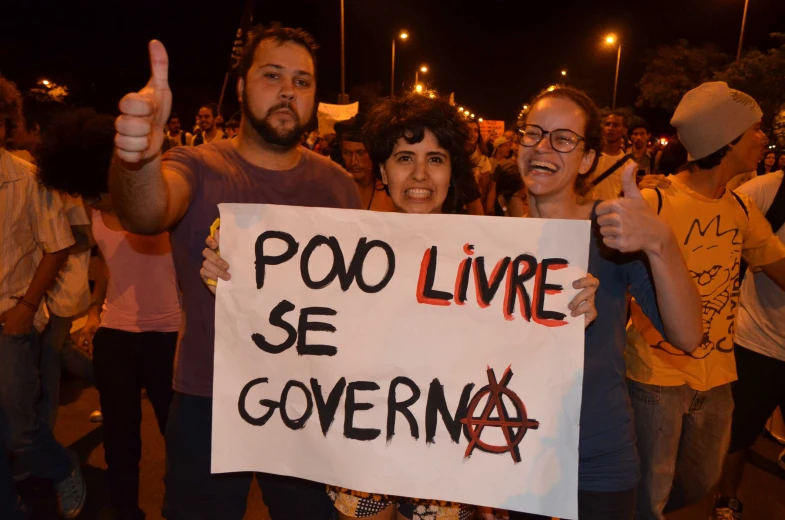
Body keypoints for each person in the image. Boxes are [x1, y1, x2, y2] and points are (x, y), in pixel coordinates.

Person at [199, 93, 601, 520]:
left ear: (453, 173)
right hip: (361, 456)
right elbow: (280, 317)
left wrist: (568, 306)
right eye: (405, 158)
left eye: (436, 158)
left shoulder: (495, 262)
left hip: (448, 469)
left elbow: (524, 356)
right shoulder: (337, 252)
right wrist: (233, 271)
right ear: (384, 173)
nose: (420, 174)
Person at [111, 23, 361, 520]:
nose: (288, 91)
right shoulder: (196, 166)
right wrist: (137, 160)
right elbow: (144, 214)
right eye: (272, 75)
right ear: (242, 87)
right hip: (209, 401)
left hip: (309, 405)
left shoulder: (339, 186)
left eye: (302, 81)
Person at [503, 86, 702, 520]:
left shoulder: (613, 231)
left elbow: (688, 335)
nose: (543, 147)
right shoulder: (491, 244)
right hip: (513, 446)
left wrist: (660, 242)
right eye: (533, 132)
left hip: (598, 449)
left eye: (563, 139)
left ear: (588, 159)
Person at [624, 82, 785, 520]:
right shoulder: (654, 200)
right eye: (756, 130)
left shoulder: (740, 209)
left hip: (716, 374)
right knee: (648, 495)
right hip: (655, 374)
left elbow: (778, 267)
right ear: (728, 140)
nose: (763, 140)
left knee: (698, 478)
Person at [38, 107, 180, 520]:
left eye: (95, 193)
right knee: (120, 440)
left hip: (170, 335)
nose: (91, 203)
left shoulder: (164, 203)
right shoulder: (95, 208)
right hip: (116, 334)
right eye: (86, 195)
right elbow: (110, 264)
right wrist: (97, 311)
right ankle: (125, 512)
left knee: (180, 437)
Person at [0, 75, 86, 519]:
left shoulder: (29, 179)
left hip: (13, 318)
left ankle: (62, 467)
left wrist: (25, 308)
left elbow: (58, 245)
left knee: (18, 429)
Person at [712, 169, 785, 519]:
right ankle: (727, 498)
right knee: (740, 430)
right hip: (760, 342)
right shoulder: (767, 190)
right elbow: (713, 213)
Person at [337, 116, 395, 212]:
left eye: (360, 153)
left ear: (373, 154)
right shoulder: (334, 192)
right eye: (347, 153)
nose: (353, 162)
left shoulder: (390, 194)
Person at [585, 111, 629, 201]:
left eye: (616, 125)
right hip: (585, 210)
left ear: (624, 131)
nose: (610, 128)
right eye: (607, 124)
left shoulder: (628, 165)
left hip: (608, 212)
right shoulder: (590, 155)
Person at [466, 119, 492, 197]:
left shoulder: (482, 156)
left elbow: (485, 182)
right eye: (468, 130)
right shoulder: (454, 152)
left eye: (476, 131)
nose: (472, 134)